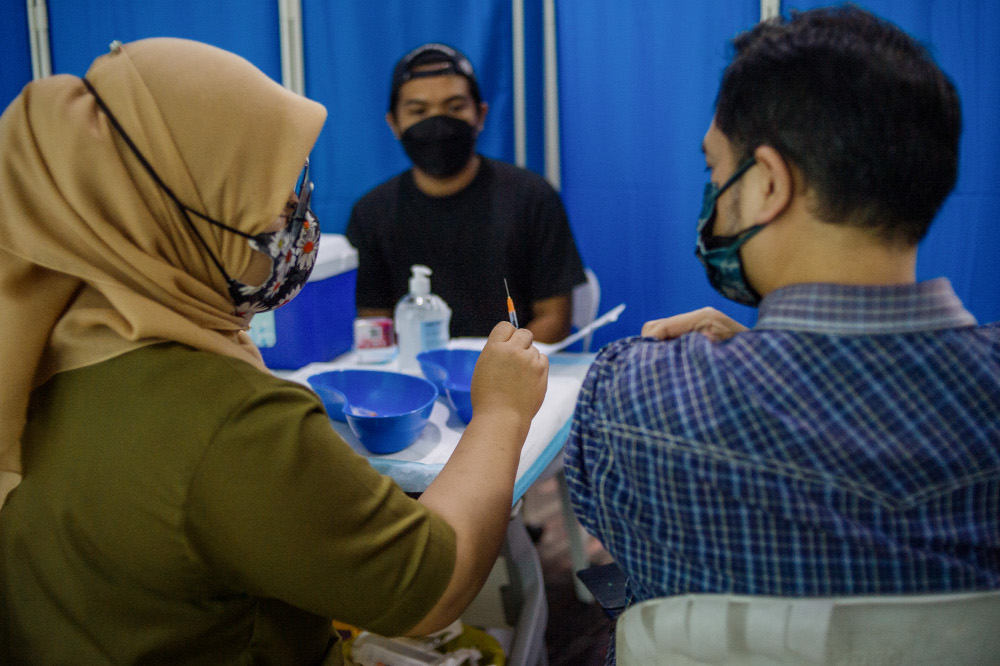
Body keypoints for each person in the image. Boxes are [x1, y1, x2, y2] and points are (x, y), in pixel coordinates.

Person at [0, 38, 548, 665]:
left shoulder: (29, 354)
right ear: (178, 207)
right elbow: (432, 585)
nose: (295, 214)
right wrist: (502, 411)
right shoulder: (232, 423)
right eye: (264, 187)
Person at [564, 4, 1000, 653]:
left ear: (767, 182)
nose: (713, 193)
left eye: (716, 171)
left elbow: (614, 540)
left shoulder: (629, 398)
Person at [345, 43, 587, 343]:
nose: (437, 122)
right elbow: (374, 325)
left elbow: (554, 319)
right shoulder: (371, 213)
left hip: (512, 375)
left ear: (481, 115)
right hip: (416, 378)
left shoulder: (532, 197)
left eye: (455, 107)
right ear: (394, 123)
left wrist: (492, 371)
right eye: (418, 111)